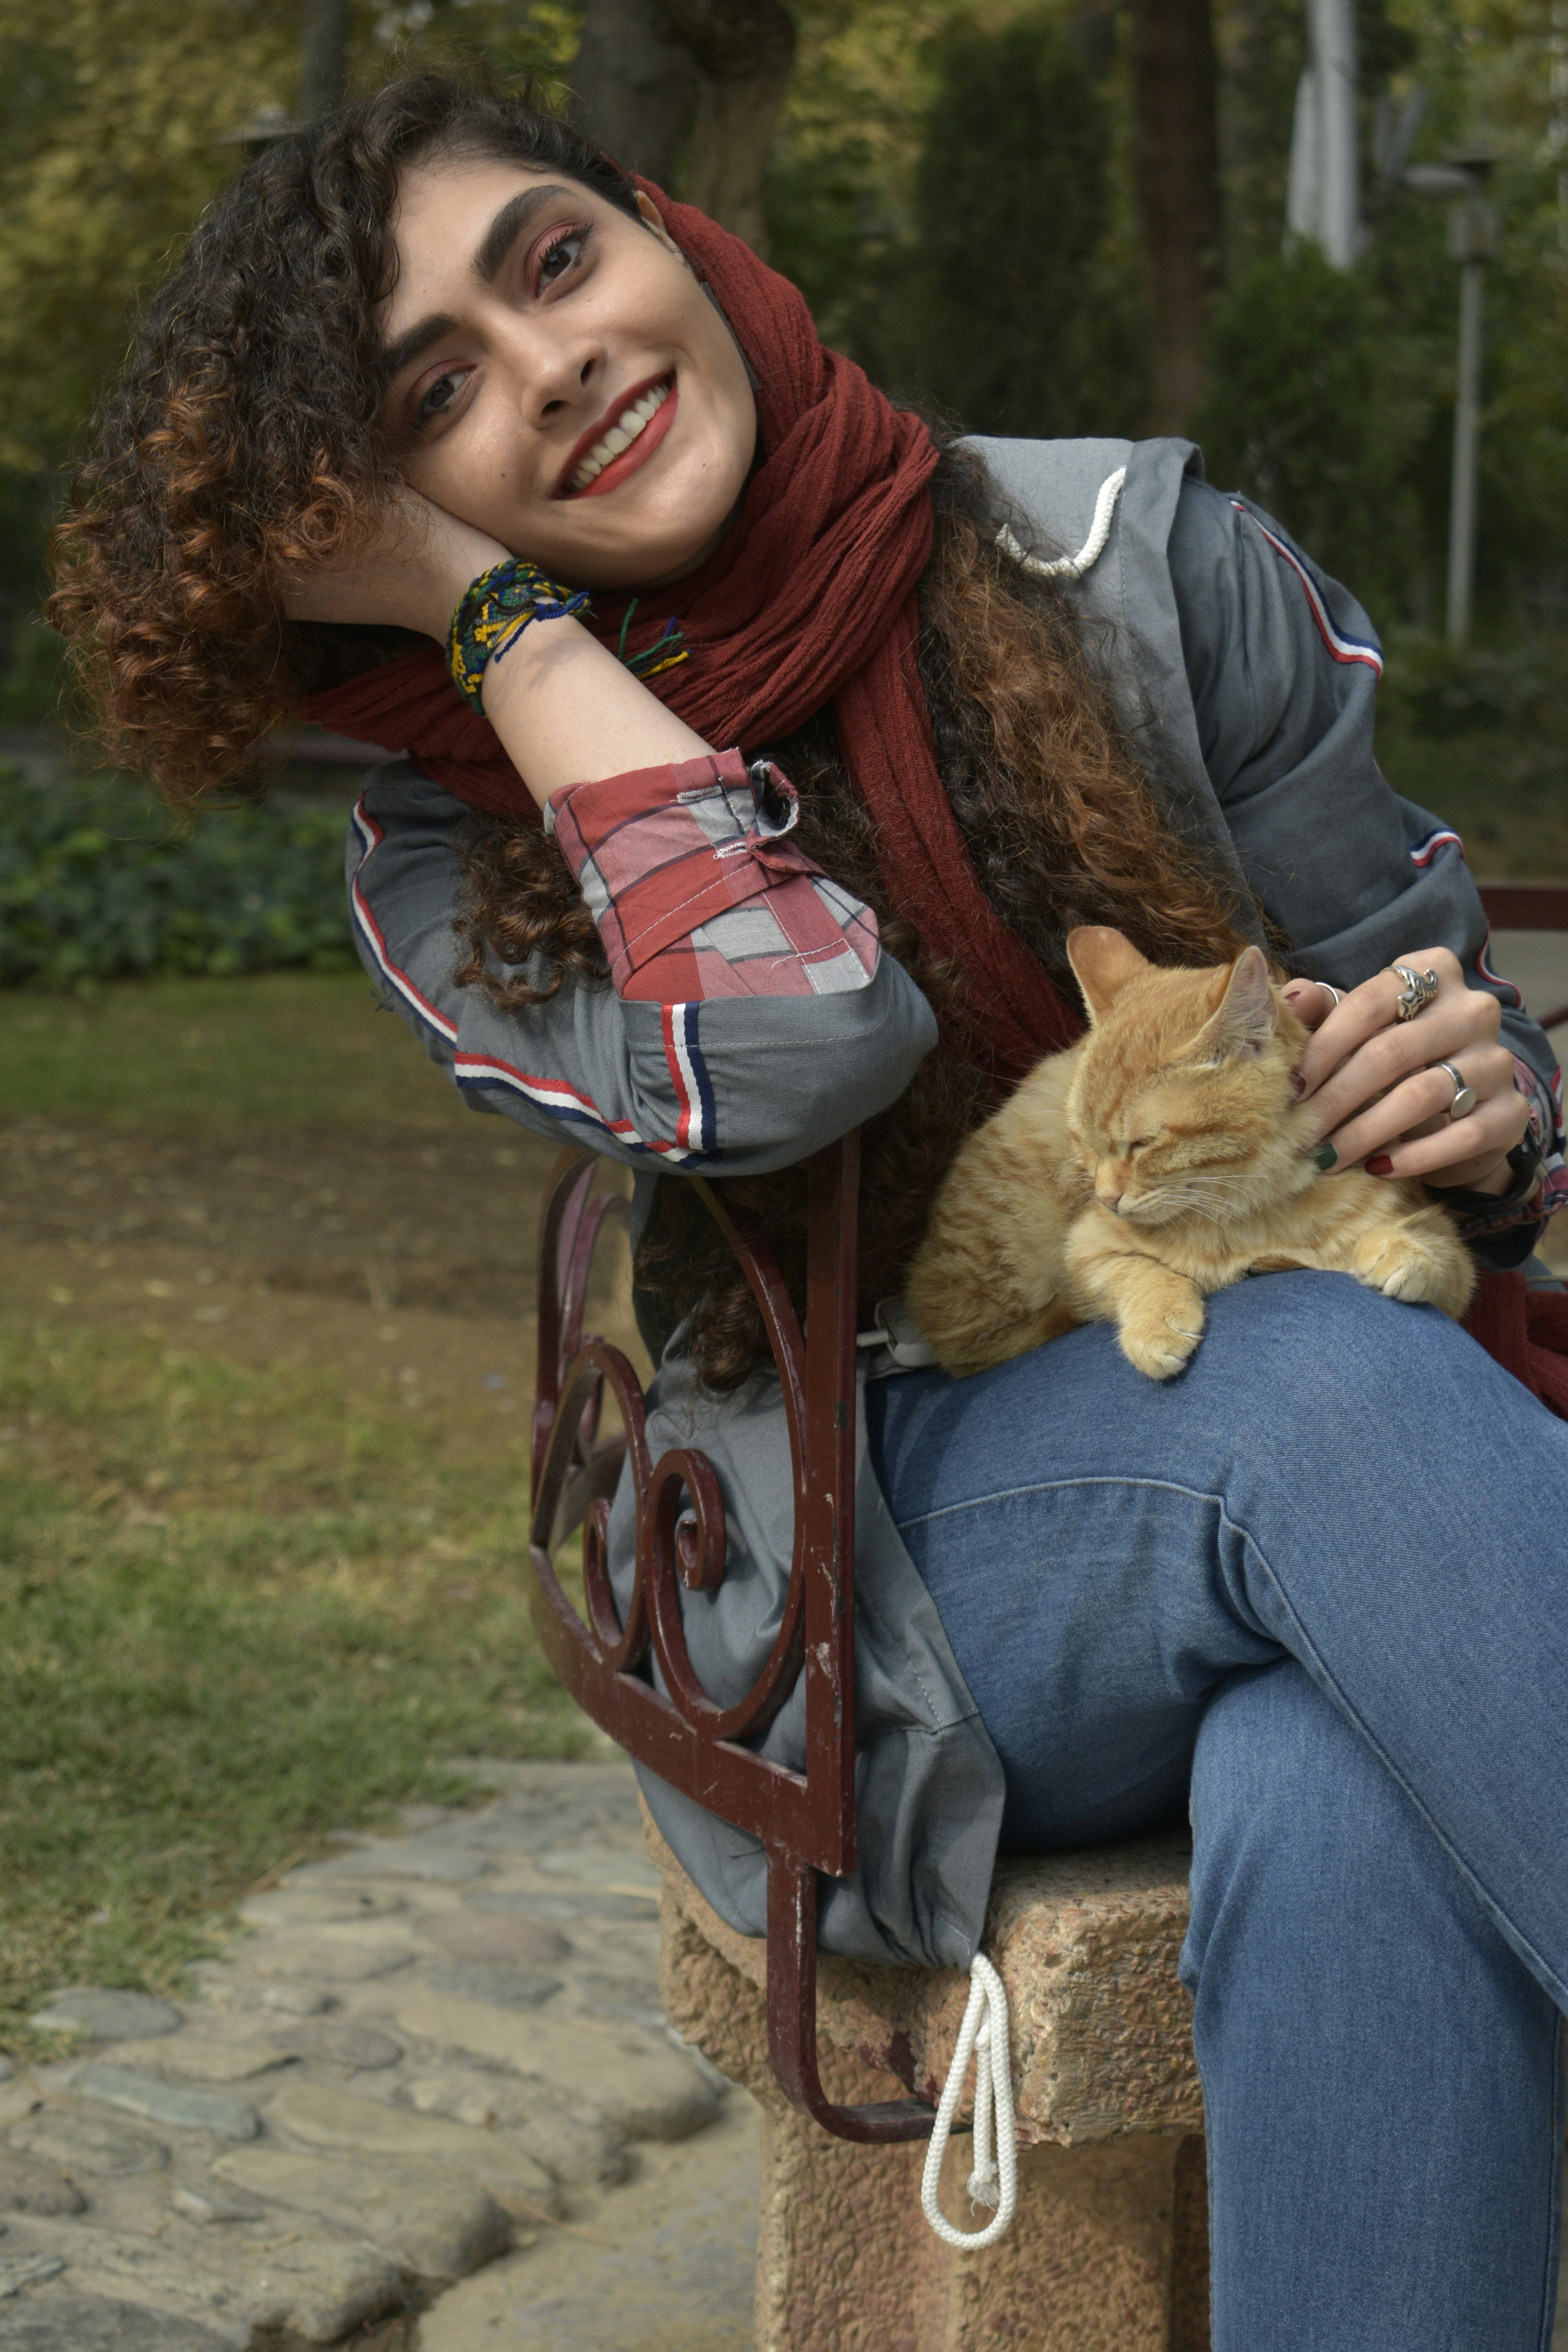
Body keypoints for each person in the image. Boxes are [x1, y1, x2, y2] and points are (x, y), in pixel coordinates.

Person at [52, 73, 1568, 2349]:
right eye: (436, 396)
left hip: (1318, 1407)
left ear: (671, 233)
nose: (552, 360)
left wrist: (1477, 1101)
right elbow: (804, 1037)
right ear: (384, 514)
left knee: (1335, 1775)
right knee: (1321, 1391)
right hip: (895, 1556)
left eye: (559, 259)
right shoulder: (462, 853)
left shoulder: (1131, 565)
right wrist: (500, 625)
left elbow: (1461, 1029)